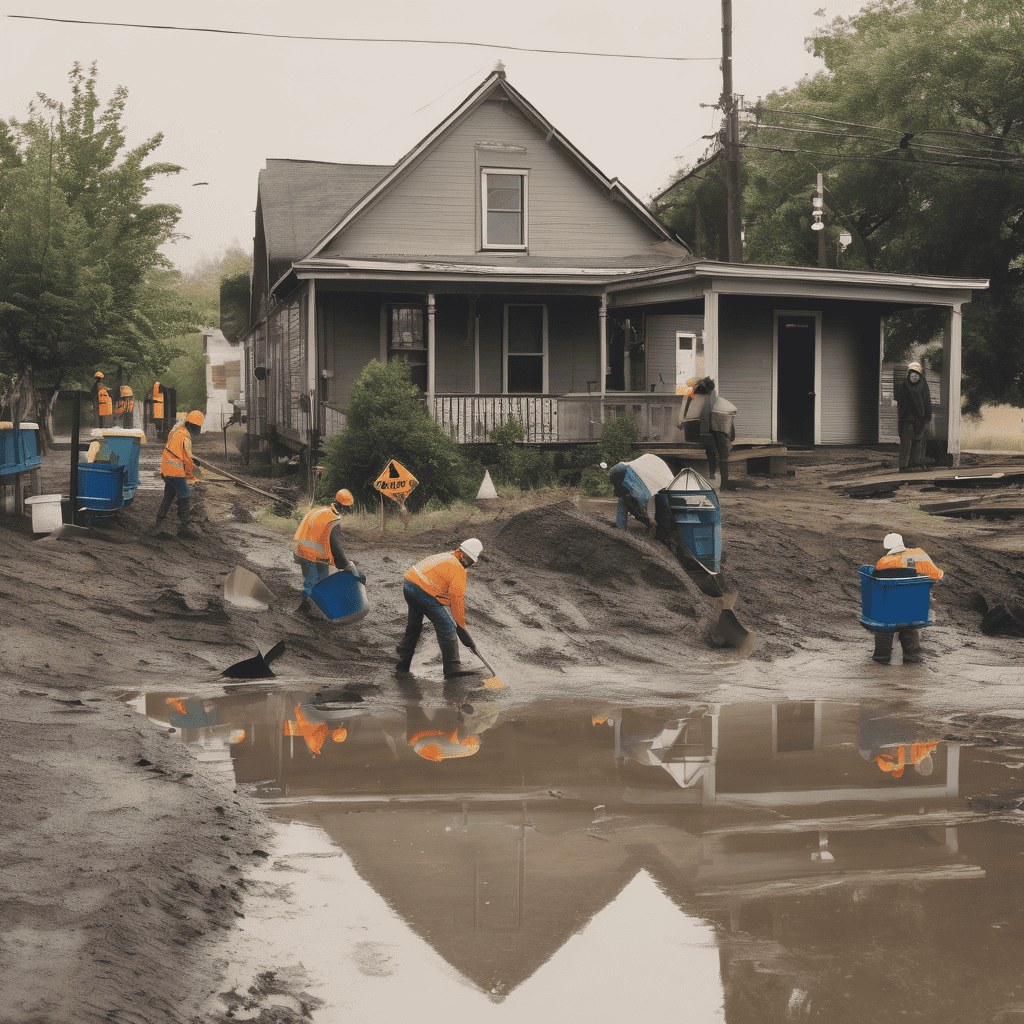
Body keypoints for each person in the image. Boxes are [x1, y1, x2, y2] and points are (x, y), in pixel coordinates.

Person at [396, 539, 483, 678]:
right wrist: (461, 626)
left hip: (409, 586)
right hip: (423, 592)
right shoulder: (458, 569)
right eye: (470, 562)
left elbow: (442, 589)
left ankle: (402, 665)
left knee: (414, 626)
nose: (468, 565)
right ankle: (452, 668)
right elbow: (457, 599)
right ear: (464, 556)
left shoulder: (444, 556)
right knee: (448, 627)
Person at [870, 533, 943, 664]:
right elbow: (936, 575)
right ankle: (912, 657)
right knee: (909, 626)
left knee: (884, 627)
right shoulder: (915, 555)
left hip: (887, 605)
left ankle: (881, 658)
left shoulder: (882, 561)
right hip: (911, 604)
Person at [292, 489, 360, 615]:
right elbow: (336, 546)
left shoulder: (321, 510)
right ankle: (304, 611)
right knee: (311, 581)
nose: (347, 510)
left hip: (304, 549)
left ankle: (319, 608)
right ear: (342, 507)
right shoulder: (332, 519)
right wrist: (346, 564)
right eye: (347, 507)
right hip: (307, 553)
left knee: (323, 580)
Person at [680, 376, 737, 489]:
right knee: (718, 452)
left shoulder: (704, 396)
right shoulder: (706, 396)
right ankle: (722, 482)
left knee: (716, 451)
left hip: (711, 430)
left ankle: (721, 481)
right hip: (711, 431)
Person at [157, 410, 204, 531]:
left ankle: (159, 521)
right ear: (194, 426)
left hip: (166, 469)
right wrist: (192, 475)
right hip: (176, 472)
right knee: (184, 495)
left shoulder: (177, 430)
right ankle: (185, 526)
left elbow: (178, 450)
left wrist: (193, 459)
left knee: (169, 495)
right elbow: (187, 460)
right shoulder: (186, 436)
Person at [895, 361, 932, 472]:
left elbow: (927, 401)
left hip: (921, 419)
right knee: (906, 443)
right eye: (912, 374)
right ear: (909, 374)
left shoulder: (923, 385)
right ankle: (903, 466)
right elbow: (902, 404)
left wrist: (927, 417)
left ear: (919, 375)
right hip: (907, 420)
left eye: (916, 374)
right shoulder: (904, 386)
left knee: (918, 442)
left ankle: (915, 463)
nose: (914, 376)